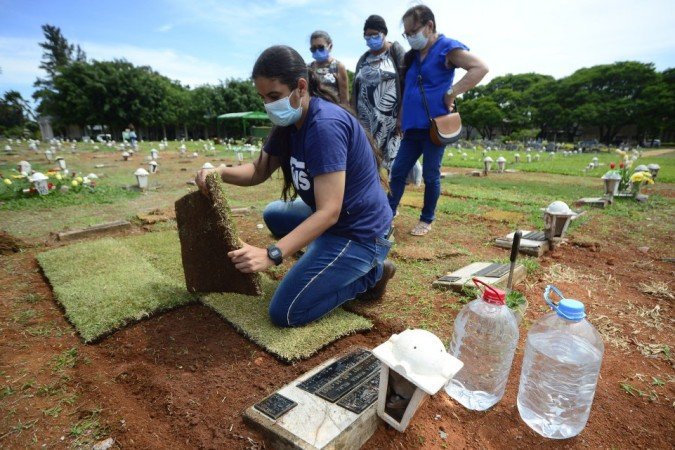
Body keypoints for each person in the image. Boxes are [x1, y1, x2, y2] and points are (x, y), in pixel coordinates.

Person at [195, 45, 395, 328]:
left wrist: (272, 254)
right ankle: (322, 255)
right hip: (334, 221)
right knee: (274, 214)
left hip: (359, 232)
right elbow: (257, 171)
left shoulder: (325, 127)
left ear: (300, 87)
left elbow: (329, 212)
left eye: (274, 96)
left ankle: (371, 275)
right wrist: (218, 172)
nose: (268, 105)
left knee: (286, 312)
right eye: (263, 97)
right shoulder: (289, 123)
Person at [389, 5, 488, 236]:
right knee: (398, 170)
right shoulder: (413, 57)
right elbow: (409, 89)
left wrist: (452, 92)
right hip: (412, 128)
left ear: (429, 26)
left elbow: (480, 68)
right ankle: (387, 213)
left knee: (431, 174)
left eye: (413, 31)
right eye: (406, 34)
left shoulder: (446, 48)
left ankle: (426, 219)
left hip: (434, 128)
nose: (410, 37)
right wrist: (401, 117)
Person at [352, 14, 422, 182]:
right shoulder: (363, 59)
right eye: (367, 36)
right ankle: (373, 199)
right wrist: (353, 117)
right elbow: (355, 89)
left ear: (384, 33)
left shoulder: (395, 51)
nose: (371, 39)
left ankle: (392, 203)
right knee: (368, 160)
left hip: (391, 122)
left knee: (393, 162)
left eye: (375, 35)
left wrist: (402, 116)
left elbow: (407, 84)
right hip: (366, 121)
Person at [308, 31, 350, 106]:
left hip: (333, 111)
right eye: (313, 49)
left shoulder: (338, 67)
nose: (317, 51)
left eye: (321, 47)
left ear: (330, 46)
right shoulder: (309, 68)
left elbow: (344, 99)